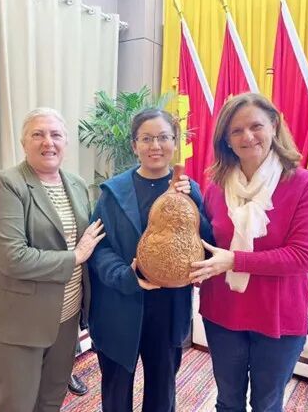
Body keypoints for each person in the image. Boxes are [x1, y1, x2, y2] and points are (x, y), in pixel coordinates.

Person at [190, 93, 308, 412]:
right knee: (228, 402)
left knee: (266, 405)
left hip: (278, 315)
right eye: (236, 130)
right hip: (222, 312)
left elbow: (302, 257)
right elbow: (204, 244)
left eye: (256, 126)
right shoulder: (216, 187)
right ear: (226, 139)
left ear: (274, 126)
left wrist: (234, 260)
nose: (247, 136)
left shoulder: (303, 183)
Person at [0, 107, 105, 412]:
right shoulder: (5, 184)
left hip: (66, 317)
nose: (48, 142)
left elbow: (90, 238)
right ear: (24, 143)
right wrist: (75, 256)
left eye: (56, 134)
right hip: (18, 321)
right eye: (38, 134)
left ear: (66, 143)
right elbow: (13, 258)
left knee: (51, 400)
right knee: (17, 405)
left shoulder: (76, 183)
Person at [88, 108, 211, 411]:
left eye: (163, 137)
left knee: (162, 390)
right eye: (146, 139)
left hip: (168, 308)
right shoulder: (113, 192)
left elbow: (207, 244)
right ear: (134, 145)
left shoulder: (189, 189)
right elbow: (98, 248)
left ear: (175, 142)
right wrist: (125, 275)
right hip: (120, 304)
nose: (155, 146)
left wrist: (193, 202)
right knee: (116, 390)